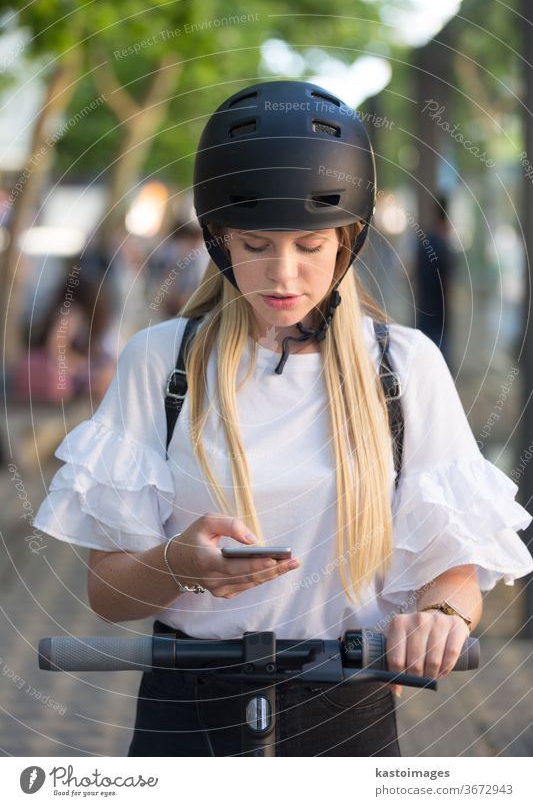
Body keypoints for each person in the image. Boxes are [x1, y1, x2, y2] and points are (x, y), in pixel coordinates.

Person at [33, 81, 533, 758]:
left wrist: (441, 618)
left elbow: (453, 568)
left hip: (347, 707)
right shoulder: (162, 360)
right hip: (189, 710)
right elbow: (109, 591)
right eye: (255, 243)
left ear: (347, 241)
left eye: (310, 244)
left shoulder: (403, 367)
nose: (283, 273)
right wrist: (179, 564)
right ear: (218, 241)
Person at [415, 195, 456, 367]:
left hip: (425, 308)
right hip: (439, 312)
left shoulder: (425, 241)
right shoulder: (443, 245)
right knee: (440, 360)